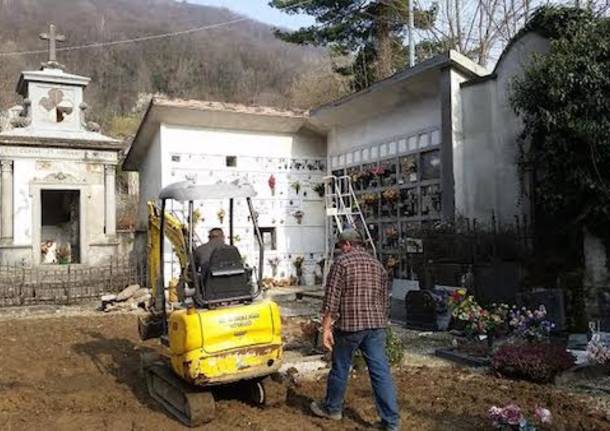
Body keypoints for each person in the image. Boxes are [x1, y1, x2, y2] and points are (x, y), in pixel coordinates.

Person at [310, 229, 400, 431]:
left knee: (341, 367)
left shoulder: (342, 263)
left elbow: (332, 299)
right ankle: (391, 422)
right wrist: (381, 321)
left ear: (348, 244)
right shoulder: (377, 265)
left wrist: (325, 329)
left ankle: (332, 408)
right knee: (380, 372)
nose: (340, 250)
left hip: (350, 326)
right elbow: (385, 299)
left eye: (341, 246)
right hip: (376, 326)